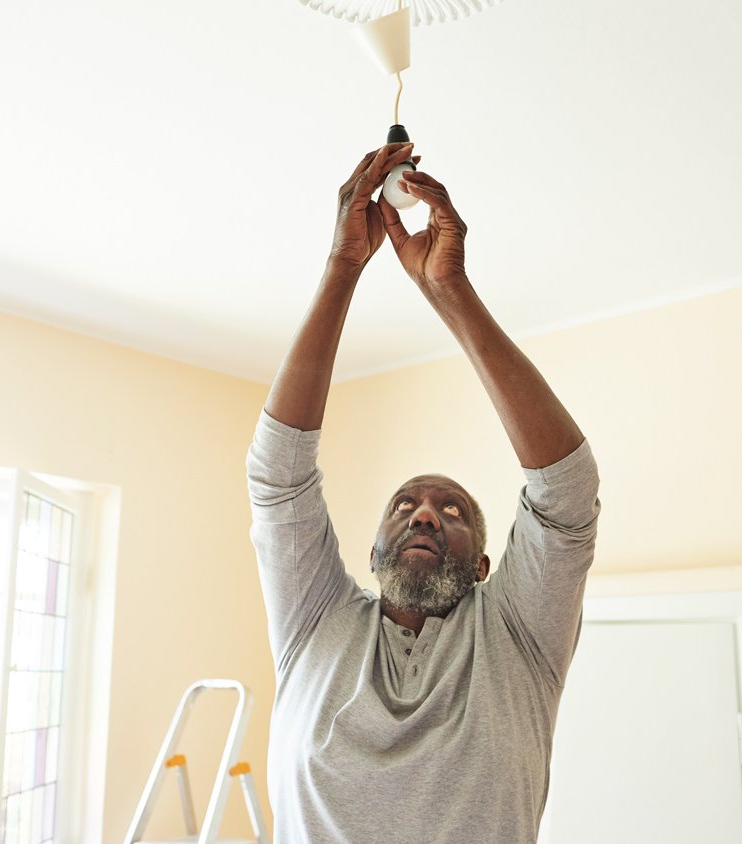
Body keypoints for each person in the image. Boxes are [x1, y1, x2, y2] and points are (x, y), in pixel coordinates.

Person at [246, 142, 601, 843]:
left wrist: (451, 292)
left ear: (483, 566)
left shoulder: (518, 639)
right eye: (404, 508)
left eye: (454, 512)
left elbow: (565, 493)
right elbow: (279, 478)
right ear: (373, 549)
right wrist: (342, 268)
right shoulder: (315, 624)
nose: (427, 514)